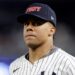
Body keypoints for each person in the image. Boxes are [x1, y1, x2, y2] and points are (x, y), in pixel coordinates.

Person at [9, 2, 75, 75]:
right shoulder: (14, 66)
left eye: (36, 23)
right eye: (26, 24)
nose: (29, 28)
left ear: (51, 30)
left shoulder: (69, 63)